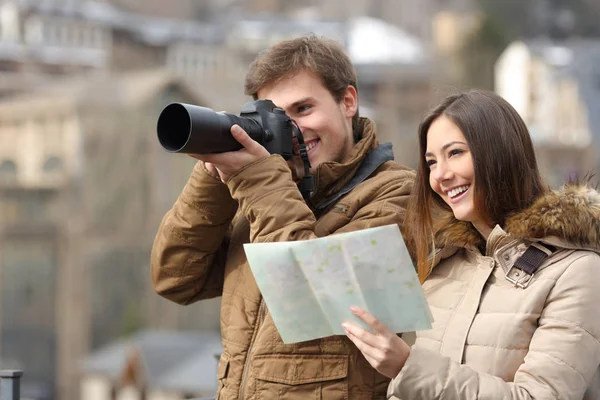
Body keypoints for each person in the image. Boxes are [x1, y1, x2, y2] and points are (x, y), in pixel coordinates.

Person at [150, 35, 416, 399]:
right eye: (276, 117)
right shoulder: (263, 195)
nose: (293, 131)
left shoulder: (396, 193)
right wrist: (212, 179)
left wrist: (260, 180)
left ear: (348, 101)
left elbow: (313, 298)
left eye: (303, 109)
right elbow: (175, 279)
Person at [342, 89, 600, 399]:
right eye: (431, 162)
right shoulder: (441, 263)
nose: (441, 175)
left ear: (501, 152)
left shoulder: (577, 271)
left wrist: (408, 366)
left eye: (455, 153)